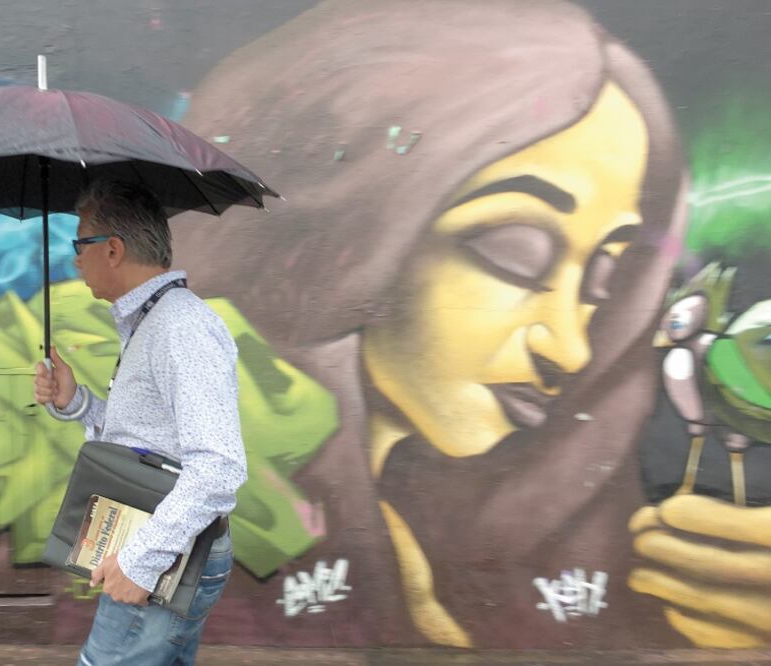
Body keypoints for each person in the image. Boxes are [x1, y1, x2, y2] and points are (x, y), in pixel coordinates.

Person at [168, 0, 743, 649]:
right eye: (515, 253)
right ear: (346, 233)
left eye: (603, 282)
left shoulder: (518, 552)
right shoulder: (197, 487)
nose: (570, 347)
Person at [33, 180, 247, 665]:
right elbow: (148, 443)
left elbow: (218, 467)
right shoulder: (153, 321)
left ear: (112, 250)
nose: (75, 260)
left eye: (80, 244)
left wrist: (140, 561)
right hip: (163, 549)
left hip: (166, 558)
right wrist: (76, 402)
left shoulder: (181, 328)